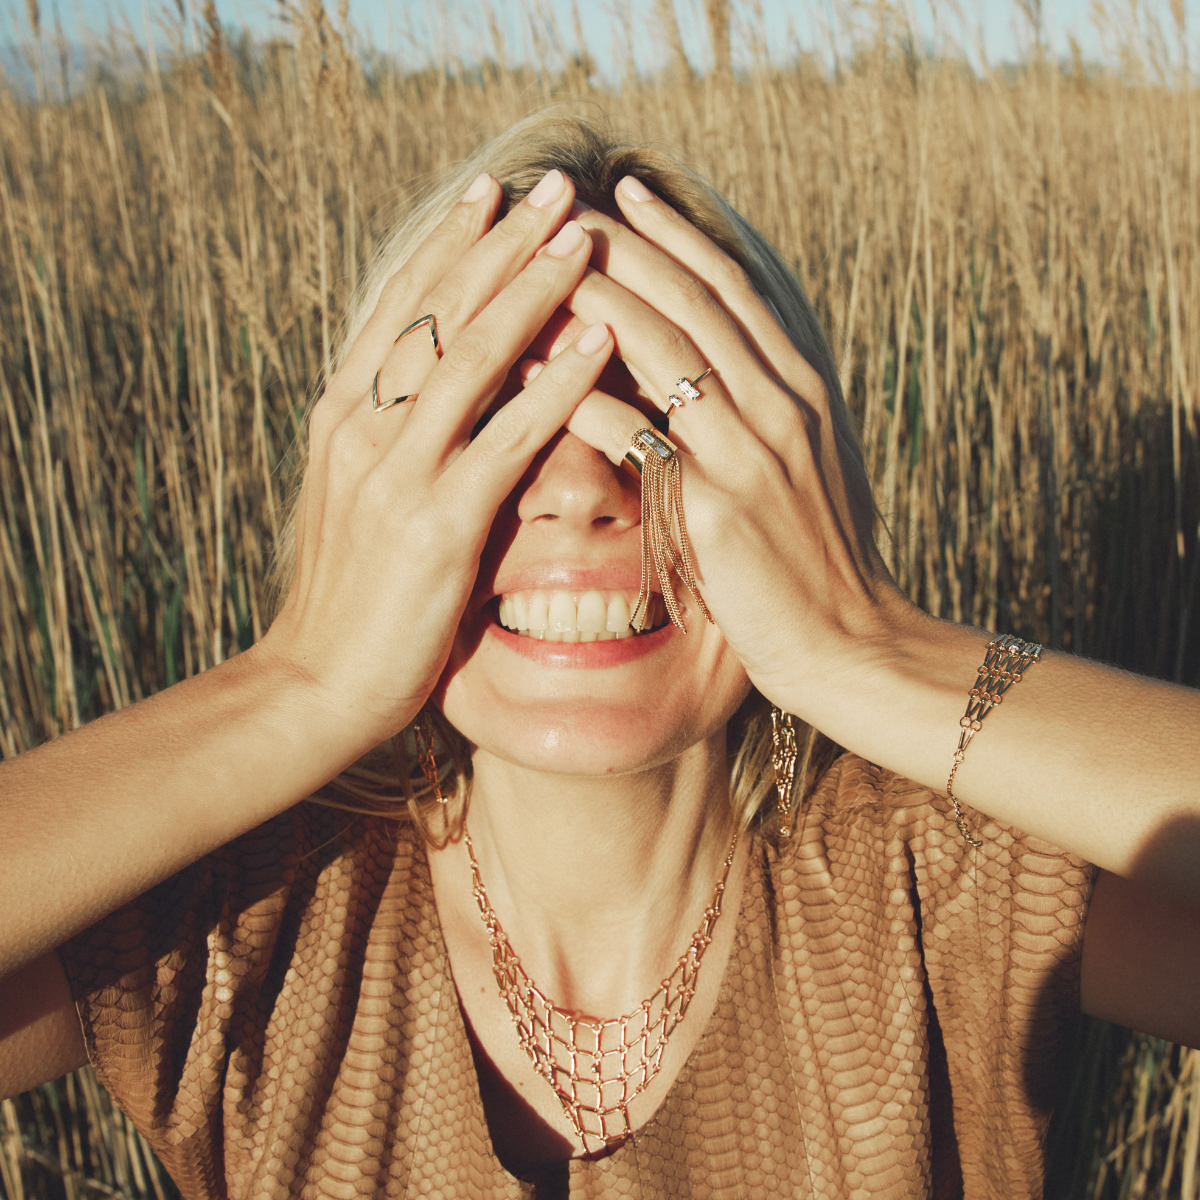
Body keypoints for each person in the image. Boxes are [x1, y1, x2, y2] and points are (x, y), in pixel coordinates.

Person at [0, 112, 1197, 1200]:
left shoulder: (941, 875)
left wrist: (871, 649)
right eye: (497, 422)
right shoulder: (239, 924)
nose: (578, 490)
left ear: (796, 487)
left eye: (662, 417)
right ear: (367, 494)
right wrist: (300, 680)